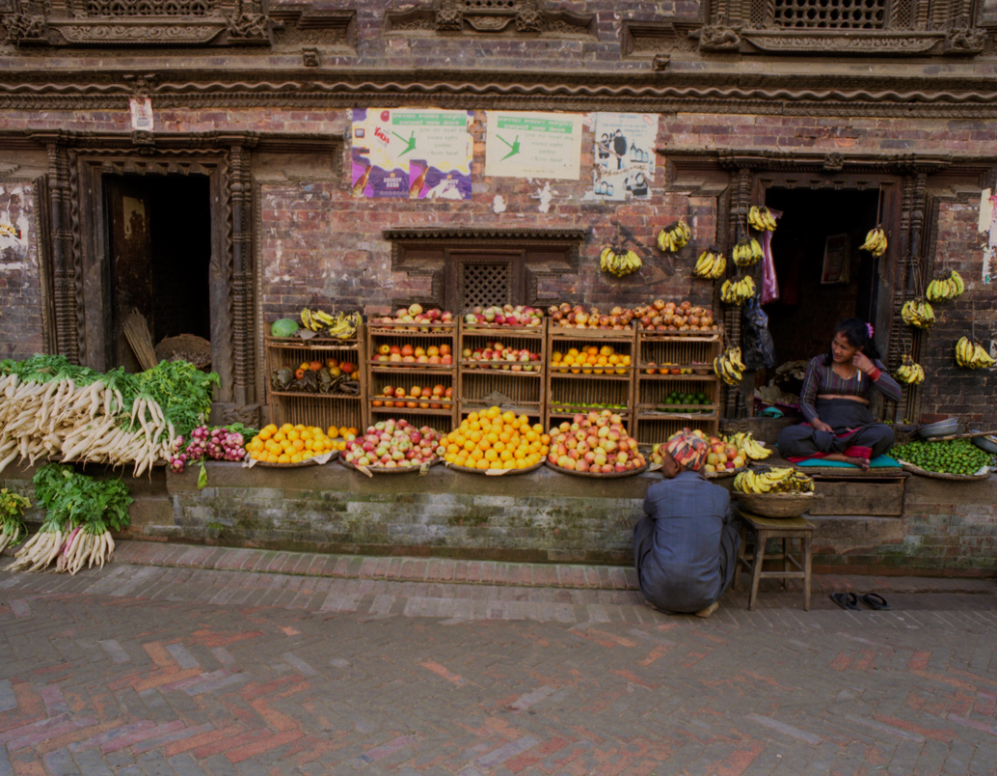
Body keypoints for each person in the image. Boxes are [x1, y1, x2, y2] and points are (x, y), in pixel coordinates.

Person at [633, 429, 740, 618]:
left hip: (657, 593)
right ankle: (704, 602)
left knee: (645, 525)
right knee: (729, 532)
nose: (662, 465)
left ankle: (663, 598)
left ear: (675, 466)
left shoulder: (657, 492)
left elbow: (649, 513)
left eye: (665, 461)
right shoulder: (721, 494)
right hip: (704, 597)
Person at [777, 318, 901, 469]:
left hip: (856, 432)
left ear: (859, 349)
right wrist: (817, 423)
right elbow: (805, 400)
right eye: (835, 343)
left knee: (886, 435)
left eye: (844, 347)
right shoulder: (818, 363)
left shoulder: (871, 365)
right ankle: (847, 458)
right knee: (787, 437)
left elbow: (896, 395)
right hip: (823, 432)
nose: (836, 350)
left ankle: (832, 452)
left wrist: (870, 369)